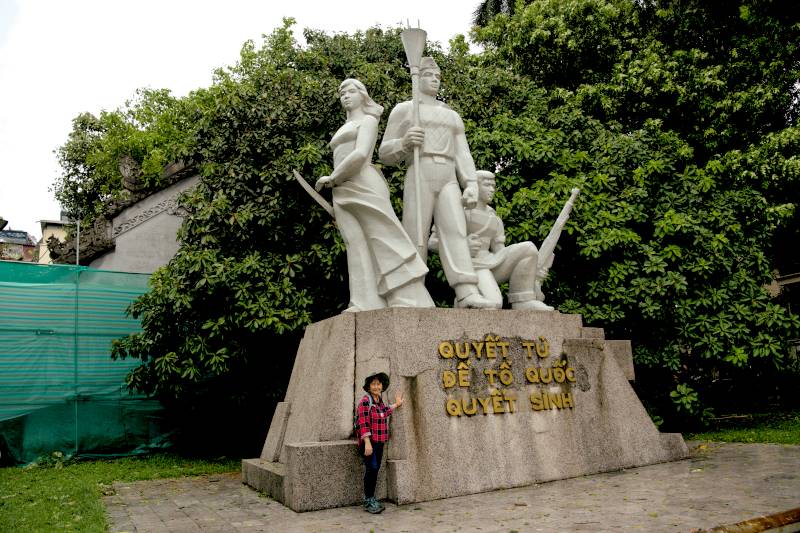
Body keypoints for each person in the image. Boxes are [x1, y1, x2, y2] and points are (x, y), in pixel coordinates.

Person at [379, 57, 494, 309]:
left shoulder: (451, 115)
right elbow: (384, 153)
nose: (435, 80)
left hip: (448, 175)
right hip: (419, 170)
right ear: (418, 78)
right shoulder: (405, 110)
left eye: (438, 76)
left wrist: (471, 183)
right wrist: (404, 143)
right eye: (430, 75)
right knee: (415, 232)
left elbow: (463, 153)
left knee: (456, 230)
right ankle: (411, 289)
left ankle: (465, 291)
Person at [315, 78, 434, 311]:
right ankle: (363, 302)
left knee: (384, 239)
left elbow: (360, 155)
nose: (345, 96)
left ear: (363, 96)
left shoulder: (368, 121)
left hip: (363, 183)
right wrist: (336, 181)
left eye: (351, 91)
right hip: (340, 189)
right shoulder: (343, 127)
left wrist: (333, 176)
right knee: (354, 243)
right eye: (342, 93)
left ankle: (407, 295)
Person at [431, 170, 553, 310]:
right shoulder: (458, 212)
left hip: (492, 263)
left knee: (529, 248)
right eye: (487, 185)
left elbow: (501, 252)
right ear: (475, 186)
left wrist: (533, 273)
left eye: (493, 186)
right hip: (473, 267)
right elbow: (432, 243)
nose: (492, 190)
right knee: (494, 304)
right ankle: (465, 299)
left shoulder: (494, 218)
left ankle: (522, 300)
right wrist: (463, 247)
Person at [355, 372, 403, 514]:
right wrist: (367, 442)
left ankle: (371, 498)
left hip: (379, 443)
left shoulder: (379, 402)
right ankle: (368, 500)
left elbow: (384, 412)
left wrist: (396, 404)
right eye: (373, 384)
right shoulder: (365, 401)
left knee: (375, 470)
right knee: (372, 469)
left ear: (382, 386)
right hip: (369, 443)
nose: (376, 386)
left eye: (378, 384)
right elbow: (363, 423)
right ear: (369, 387)